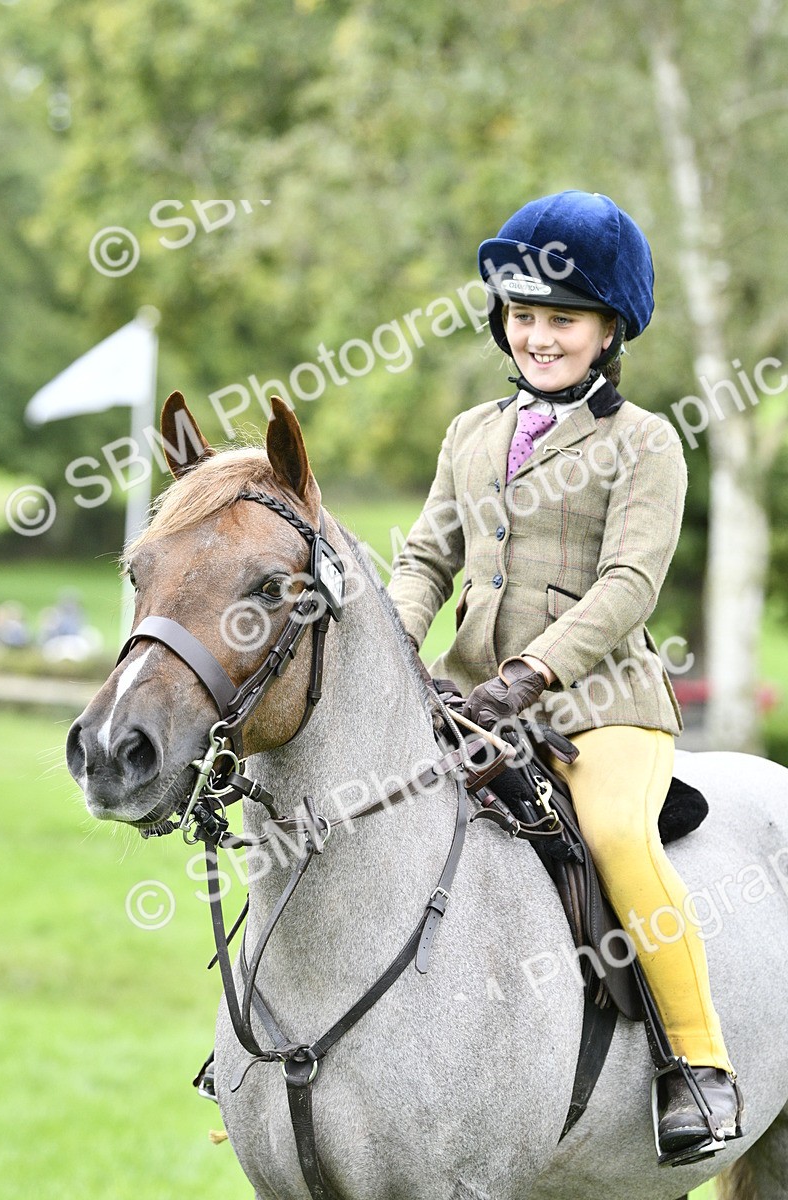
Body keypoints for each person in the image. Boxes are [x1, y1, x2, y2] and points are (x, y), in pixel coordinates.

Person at [387, 190, 742, 1159]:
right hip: (469, 695)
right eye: (524, 315)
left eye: (563, 319)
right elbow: (425, 558)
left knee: (617, 836)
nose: (538, 337)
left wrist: (533, 671)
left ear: (608, 330)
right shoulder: (470, 431)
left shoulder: (645, 443)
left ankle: (695, 1065)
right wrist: (396, 643)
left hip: (600, 703)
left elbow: (629, 583)